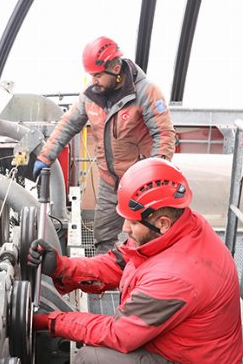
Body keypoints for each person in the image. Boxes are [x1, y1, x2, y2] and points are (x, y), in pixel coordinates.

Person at [28, 158, 242, 364]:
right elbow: (121, 261)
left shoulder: (176, 276)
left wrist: (51, 322)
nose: (125, 227)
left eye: (131, 221)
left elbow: (120, 335)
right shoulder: (181, 229)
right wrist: (63, 268)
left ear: (162, 222)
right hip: (204, 357)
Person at [32, 36, 176, 254]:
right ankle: (103, 281)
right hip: (109, 182)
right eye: (91, 75)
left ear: (116, 68)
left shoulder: (146, 92)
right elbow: (68, 123)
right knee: (103, 237)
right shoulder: (91, 96)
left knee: (146, 238)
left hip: (140, 185)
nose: (94, 81)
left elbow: (164, 135)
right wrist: (45, 157)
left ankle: (142, 282)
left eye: (98, 75)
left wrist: (153, 178)